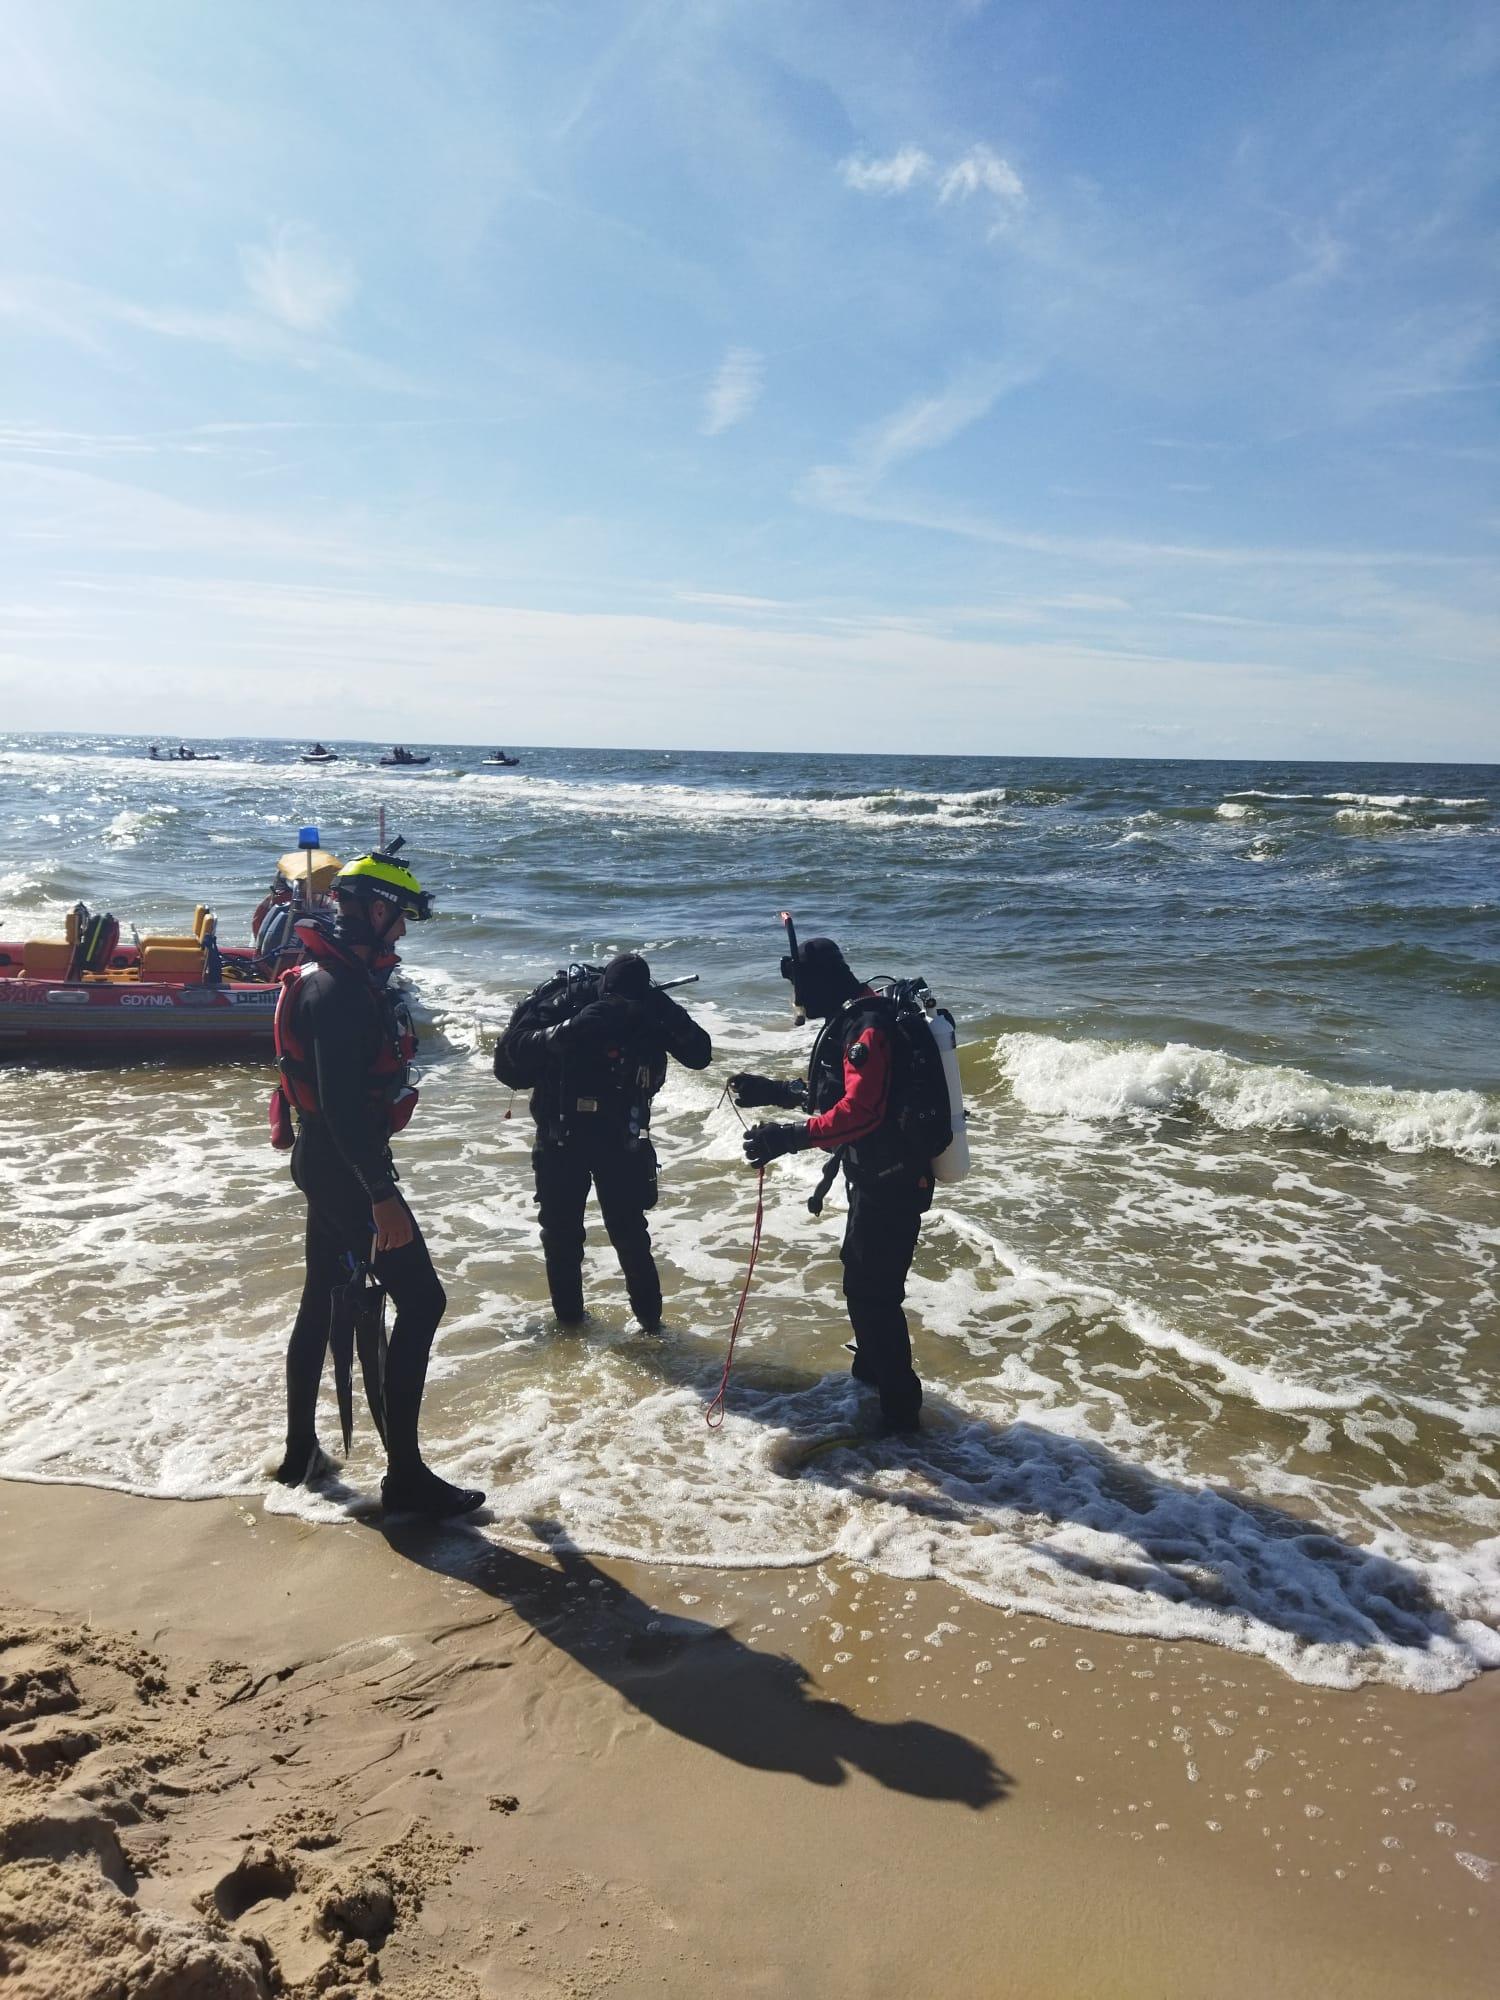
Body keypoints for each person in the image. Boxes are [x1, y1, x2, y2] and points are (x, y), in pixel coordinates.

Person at [272, 847, 483, 1517]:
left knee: (320, 1298)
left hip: (327, 1162)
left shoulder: (333, 979)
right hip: (344, 1169)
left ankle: (300, 1453)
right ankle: (407, 1479)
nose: (403, 930)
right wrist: (381, 1195)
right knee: (423, 1301)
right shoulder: (336, 993)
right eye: (399, 916)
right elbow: (340, 1108)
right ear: (376, 910)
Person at [730, 936, 931, 1434]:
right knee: (863, 1281)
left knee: (872, 1293)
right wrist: (776, 1092)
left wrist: (788, 1138)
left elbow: (860, 1112)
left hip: (893, 1180)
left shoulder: (868, 1026)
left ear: (819, 982)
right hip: (874, 1175)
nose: (797, 1001)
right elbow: (836, 1095)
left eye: (799, 989)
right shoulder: (854, 1015)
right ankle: (871, 1382)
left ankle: (902, 1421)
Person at [494, 953, 711, 1329]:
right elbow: (510, 1055)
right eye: (614, 1002)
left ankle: (652, 1328)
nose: (620, 1011)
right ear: (600, 991)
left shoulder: (649, 1008)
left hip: (620, 1136)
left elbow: (700, 1055)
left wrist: (665, 1010)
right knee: (561, 1238)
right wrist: (569, 1029)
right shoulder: (567, 1001)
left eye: (629, 1003)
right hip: (561, 1134)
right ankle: (570, 1327)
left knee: (630, 1234)